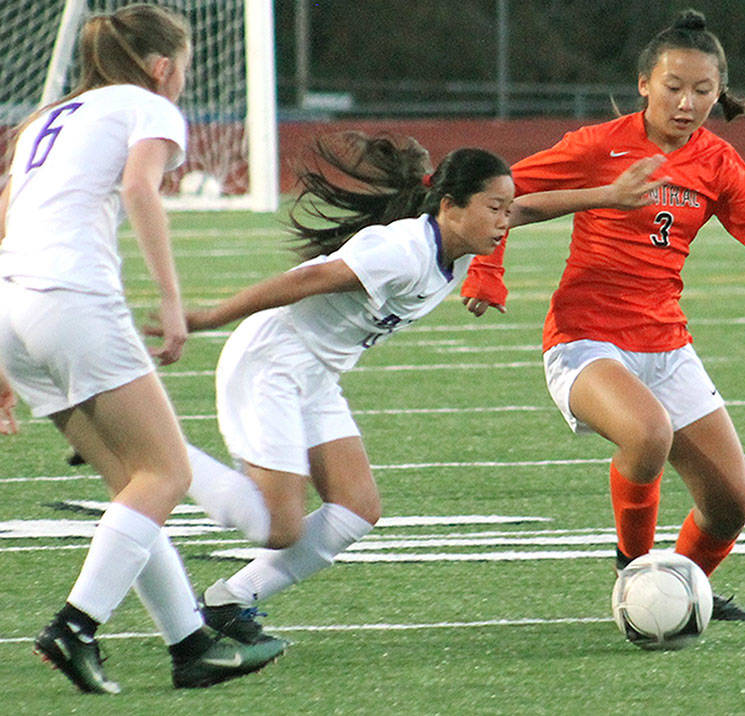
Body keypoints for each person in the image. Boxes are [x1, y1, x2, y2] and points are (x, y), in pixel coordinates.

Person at [175, 133, 667, 643]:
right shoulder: (404, 251)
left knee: (356, 509)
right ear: (451, 207)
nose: (506, 220)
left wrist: (607, 196)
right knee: (279, 527)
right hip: (269, 365)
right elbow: (304, 281)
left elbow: (533, 208)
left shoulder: (460, 241)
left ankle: (231, 599)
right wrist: (209, 317)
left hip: (316, 376)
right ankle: (164, 455)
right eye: (495, 208)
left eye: (506, 208)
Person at [461, 10, 745, 621]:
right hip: (585, 341)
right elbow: (503, 193)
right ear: (644, 83)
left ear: (718, 93)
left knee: (730, 505)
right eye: (673, 87)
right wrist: (487, 271)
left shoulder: (718, 163)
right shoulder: (599, 146)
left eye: (703, 91)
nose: (687, 102)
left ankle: (676, 589)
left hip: (666, 347)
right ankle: (634, 572)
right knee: (648, 434)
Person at [0, 3, 287, 694]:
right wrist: (167, 297)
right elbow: (138, 187)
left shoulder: (50, 115)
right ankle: (76, 623)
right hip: (73, 302)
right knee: (165, 474)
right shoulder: (147, 105)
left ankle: (189, 644)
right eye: (182, 69)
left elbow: (5, 210)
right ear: (163, 67)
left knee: (135, 487)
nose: (181, 82)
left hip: (11, 305)